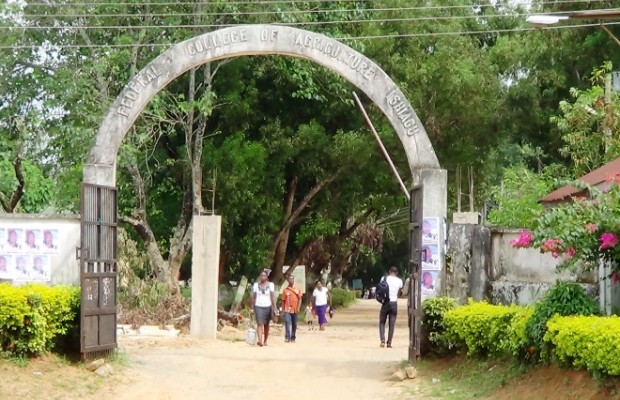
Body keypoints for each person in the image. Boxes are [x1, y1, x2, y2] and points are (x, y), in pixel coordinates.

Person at [251, 270, 277, 347]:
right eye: (261, 276)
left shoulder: (271, 285)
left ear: (267, 277)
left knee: (266, 325)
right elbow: (254, 297)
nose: (262, 277)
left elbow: (272, 297)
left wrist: (275, 308)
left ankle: (265, 340)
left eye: (264, 276)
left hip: (268, 306)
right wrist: (252, 308)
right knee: (259, 323)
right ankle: (260, 341)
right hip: (258, 306)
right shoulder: (256, 285)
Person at [379, 266, 403, 348]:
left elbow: (381, 289)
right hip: (394, 303)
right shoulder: (399, 281)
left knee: (382, 322)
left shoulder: (384, 278)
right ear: (396, 273)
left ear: (389, 271)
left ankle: (382, 340)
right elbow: (399, 293)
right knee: (392, 324)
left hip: (385, 302)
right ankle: (389, 343)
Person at [281, 274, 303, 343]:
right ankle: (287, 337)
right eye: (289, 279)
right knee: (287, 322)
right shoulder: (285, 290)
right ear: (288, 280)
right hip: (287, 309)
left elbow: (300, 299)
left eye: (292, 279)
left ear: (293, 280)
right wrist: (282, 310)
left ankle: (293, 337)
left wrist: (298, 307)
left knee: (294, 323)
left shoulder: (297, 289)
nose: (291, 280)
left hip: (295, 309)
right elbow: (283, 300)